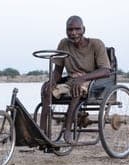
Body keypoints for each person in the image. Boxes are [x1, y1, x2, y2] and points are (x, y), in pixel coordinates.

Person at [39, 15, 111, 144]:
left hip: (92, 81)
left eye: (77, 29)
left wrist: (82, 78)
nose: (73, 33)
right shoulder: (64, 43)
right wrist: (52, 81)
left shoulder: (96, 44)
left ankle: (67, 130)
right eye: (70, 30)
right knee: (47, 90)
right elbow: (58, 70)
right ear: (66, 31)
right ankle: (42, 132)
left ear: (83, 29)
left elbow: (105, 70)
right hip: (71, 80)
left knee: (76, 90)